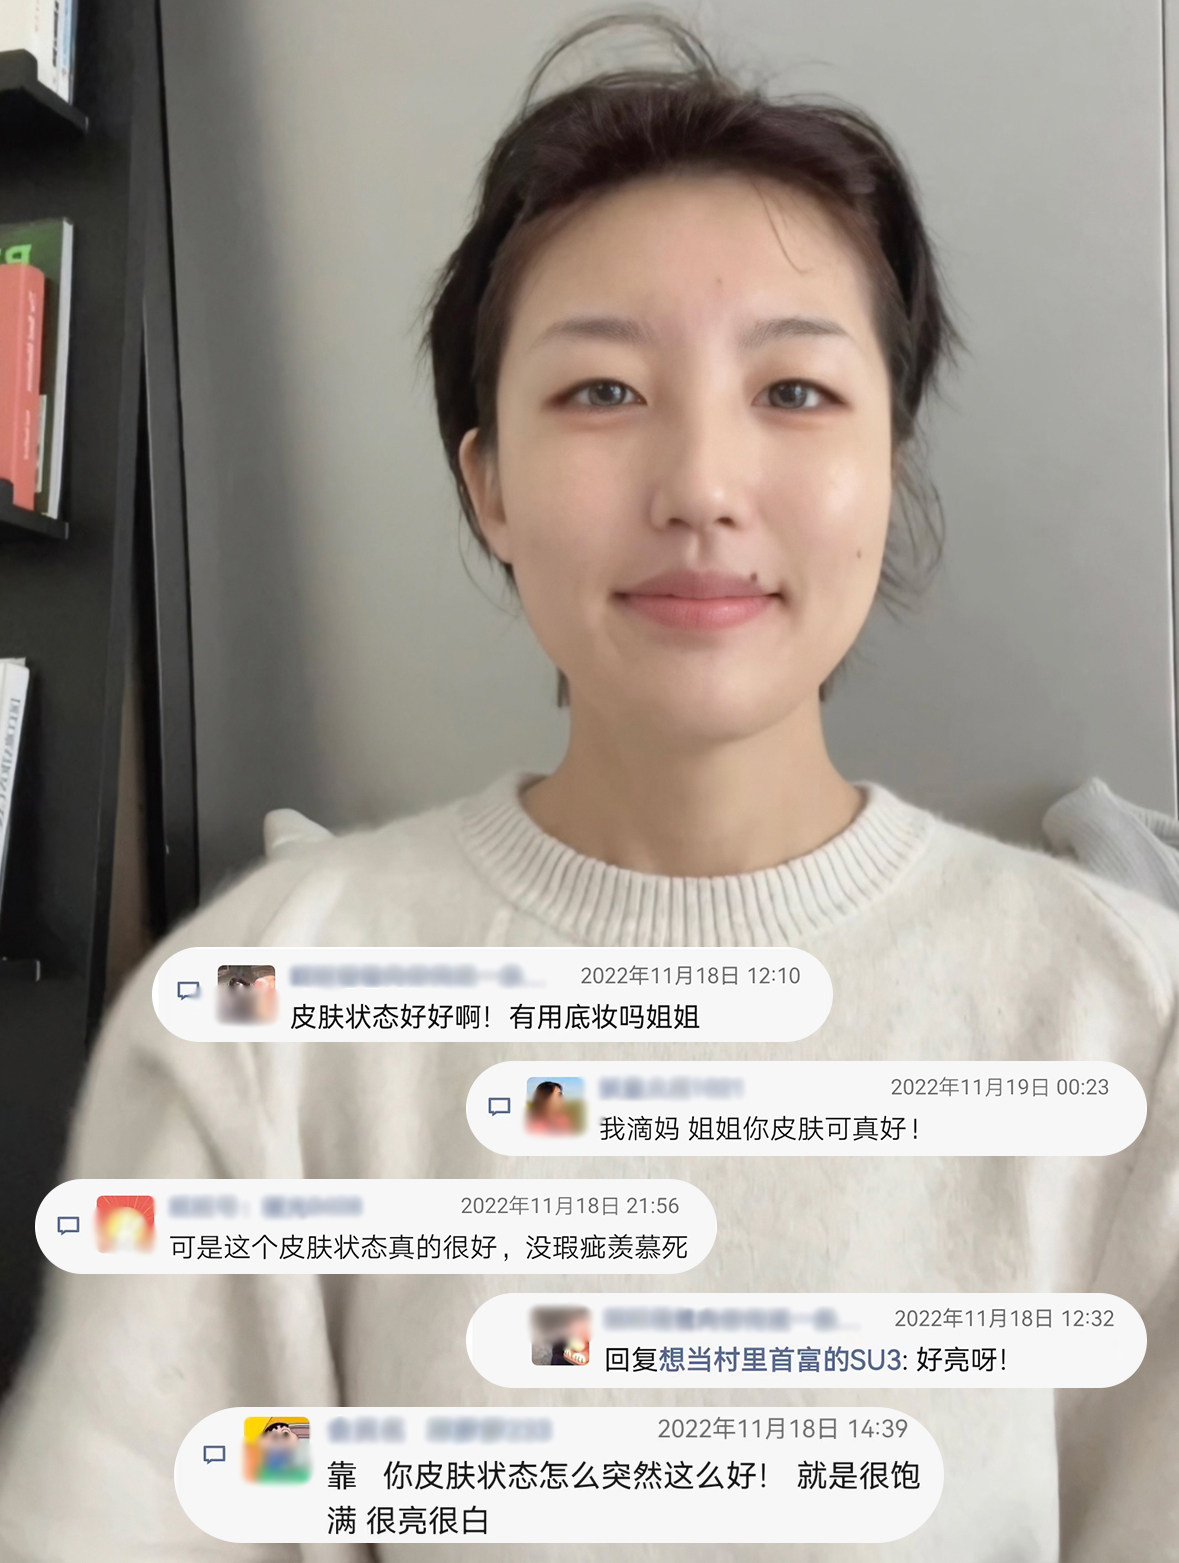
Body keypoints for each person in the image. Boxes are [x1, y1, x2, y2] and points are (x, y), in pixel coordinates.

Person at [0, 10, 1176, 1562]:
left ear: (889, 469)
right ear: (487, 482)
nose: (702, 488)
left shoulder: (1130, 1021)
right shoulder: (260, 1020)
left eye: (796, 393)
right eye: (604, 392)